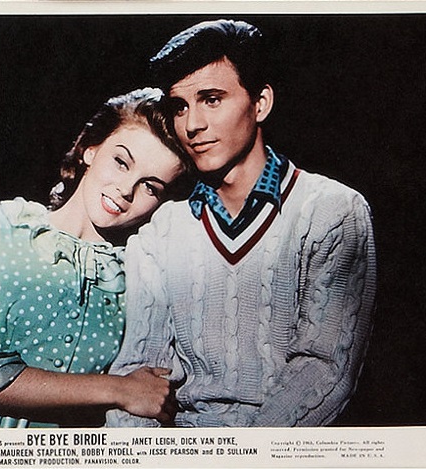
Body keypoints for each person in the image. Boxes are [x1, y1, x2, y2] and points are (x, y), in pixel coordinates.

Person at [106, 20, 377, 427]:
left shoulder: (333, 211)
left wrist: (242, 453)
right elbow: (140, 375)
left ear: (260, 103)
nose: (192, 125)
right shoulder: (162, 229)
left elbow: (325, 370)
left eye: (211, 100)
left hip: (286, 450)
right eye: (180, 106)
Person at [0, 88, 192, 428]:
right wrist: (118, 389)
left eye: (150, 187)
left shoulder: (140, 271)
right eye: (121, 162)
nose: (126, 190)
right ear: (91, 149)